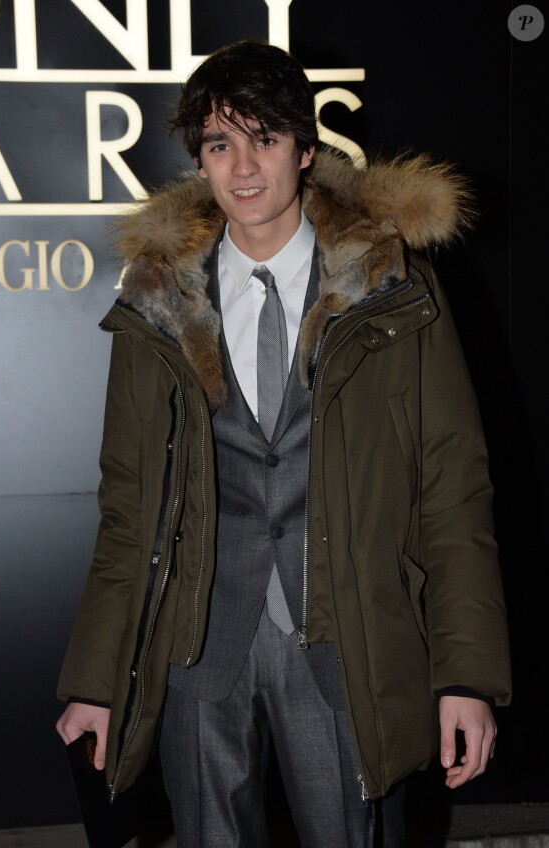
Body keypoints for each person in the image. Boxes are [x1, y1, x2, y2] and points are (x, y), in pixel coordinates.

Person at [56, 39, 511, 847]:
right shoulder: (156, 304)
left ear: (306, 149)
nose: (242, 167)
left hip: (347, 646)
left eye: (264, 138)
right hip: (199, 647)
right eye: (219, 143)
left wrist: (466, 676)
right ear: (198, 160)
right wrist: (96, 679)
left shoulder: (393, 289)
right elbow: (127, 509)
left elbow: (453, 488)